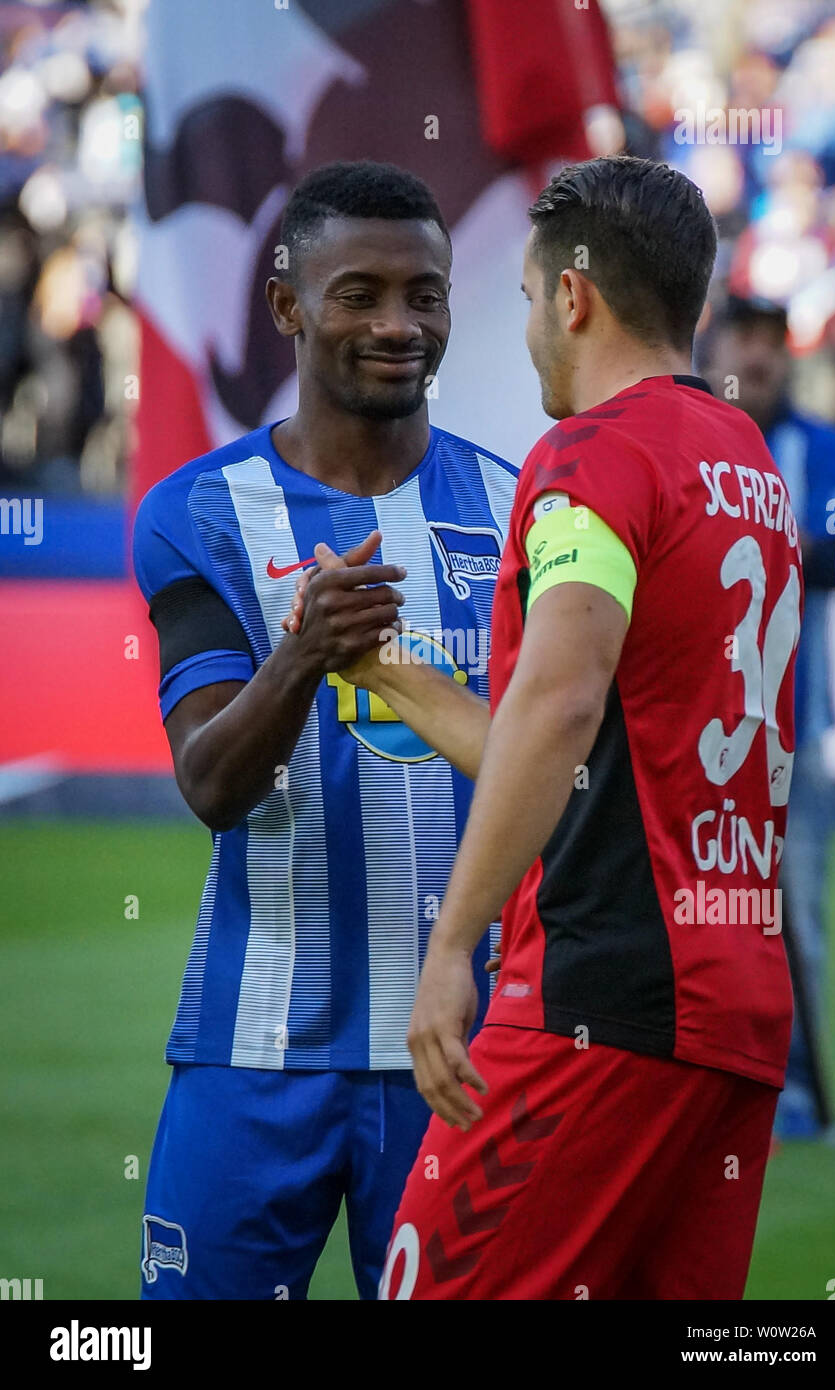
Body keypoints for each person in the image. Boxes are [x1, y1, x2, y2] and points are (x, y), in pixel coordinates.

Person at [341, 155, 801, 1300]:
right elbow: (578, 756)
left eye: (526, 299)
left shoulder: (591, 456)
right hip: (730, 1018)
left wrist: (452, 947)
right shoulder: (744, 464)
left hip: (596, 1008)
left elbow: (560, 703)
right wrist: (387, 668)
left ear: (572, 296)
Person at [132, 160, 518, 1300]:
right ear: (287, 304)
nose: (398, 325)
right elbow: (209, 783)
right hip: (254, 1056)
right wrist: (303, 653)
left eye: (425, 295)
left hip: (462, 1052)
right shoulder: (199, 511)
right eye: (359, 294)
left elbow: (559, 768)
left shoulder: (518, 508)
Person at [701, 296, 835, 1142]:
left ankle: (799, 1098)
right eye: (744, 340)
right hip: (699, 737)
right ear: (715, 344)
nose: (757, 358)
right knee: (710, 919)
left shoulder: (817, 445)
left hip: (794, 726)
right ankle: (726, 1088)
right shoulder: (693, 433)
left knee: (800, 921)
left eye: (770, 343)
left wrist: (736, 546)